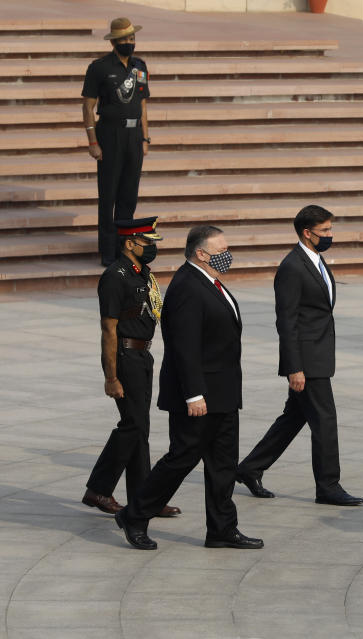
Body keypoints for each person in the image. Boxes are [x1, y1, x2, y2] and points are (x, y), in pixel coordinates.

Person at [116, 226, 262, 551]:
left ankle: (222, 528)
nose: (228, 254)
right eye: (221, 249)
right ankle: (135, 515)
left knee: (223, 464)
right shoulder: (187, 286)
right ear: (201, 253)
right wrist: (194, 393)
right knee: (181, 459)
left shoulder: (209, 282)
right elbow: (184, 346)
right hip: (199, 396)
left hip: (222, 392)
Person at [236, 206, 363, 507]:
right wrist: (295, 367)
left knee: (294, 418)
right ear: (307, 233)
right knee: (325, 421)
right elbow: (286, 321)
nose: (330, 236)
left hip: (318, 353)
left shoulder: (315, 260)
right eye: (325, 231)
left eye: (331, 230)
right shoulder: (292, 268)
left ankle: (249, 468)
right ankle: (328, 486)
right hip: (307, 361)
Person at [83, 217, 179, 520]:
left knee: (141, 429)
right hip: (125, 357)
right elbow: (108, 329)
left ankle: (143, 498)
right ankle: (99, 488)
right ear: (130, 243)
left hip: (143, 356)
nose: (152, 247)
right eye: (147, 242)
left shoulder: (142, 273)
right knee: (133, 426)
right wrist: (111, 377)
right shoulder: (115, 276)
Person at [82, 17, 151, 266]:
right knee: (108, 193)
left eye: (132, 38)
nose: (129, 43)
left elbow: (143, 104)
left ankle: (124, 248)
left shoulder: (140, 67)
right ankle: (107, 251)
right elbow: (88, 106)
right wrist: (92, 141)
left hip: (134, 137)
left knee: (129, 195)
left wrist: (145, 137)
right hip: (109, 134)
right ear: (114, 42)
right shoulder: (99, 67)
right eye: (124, 39)